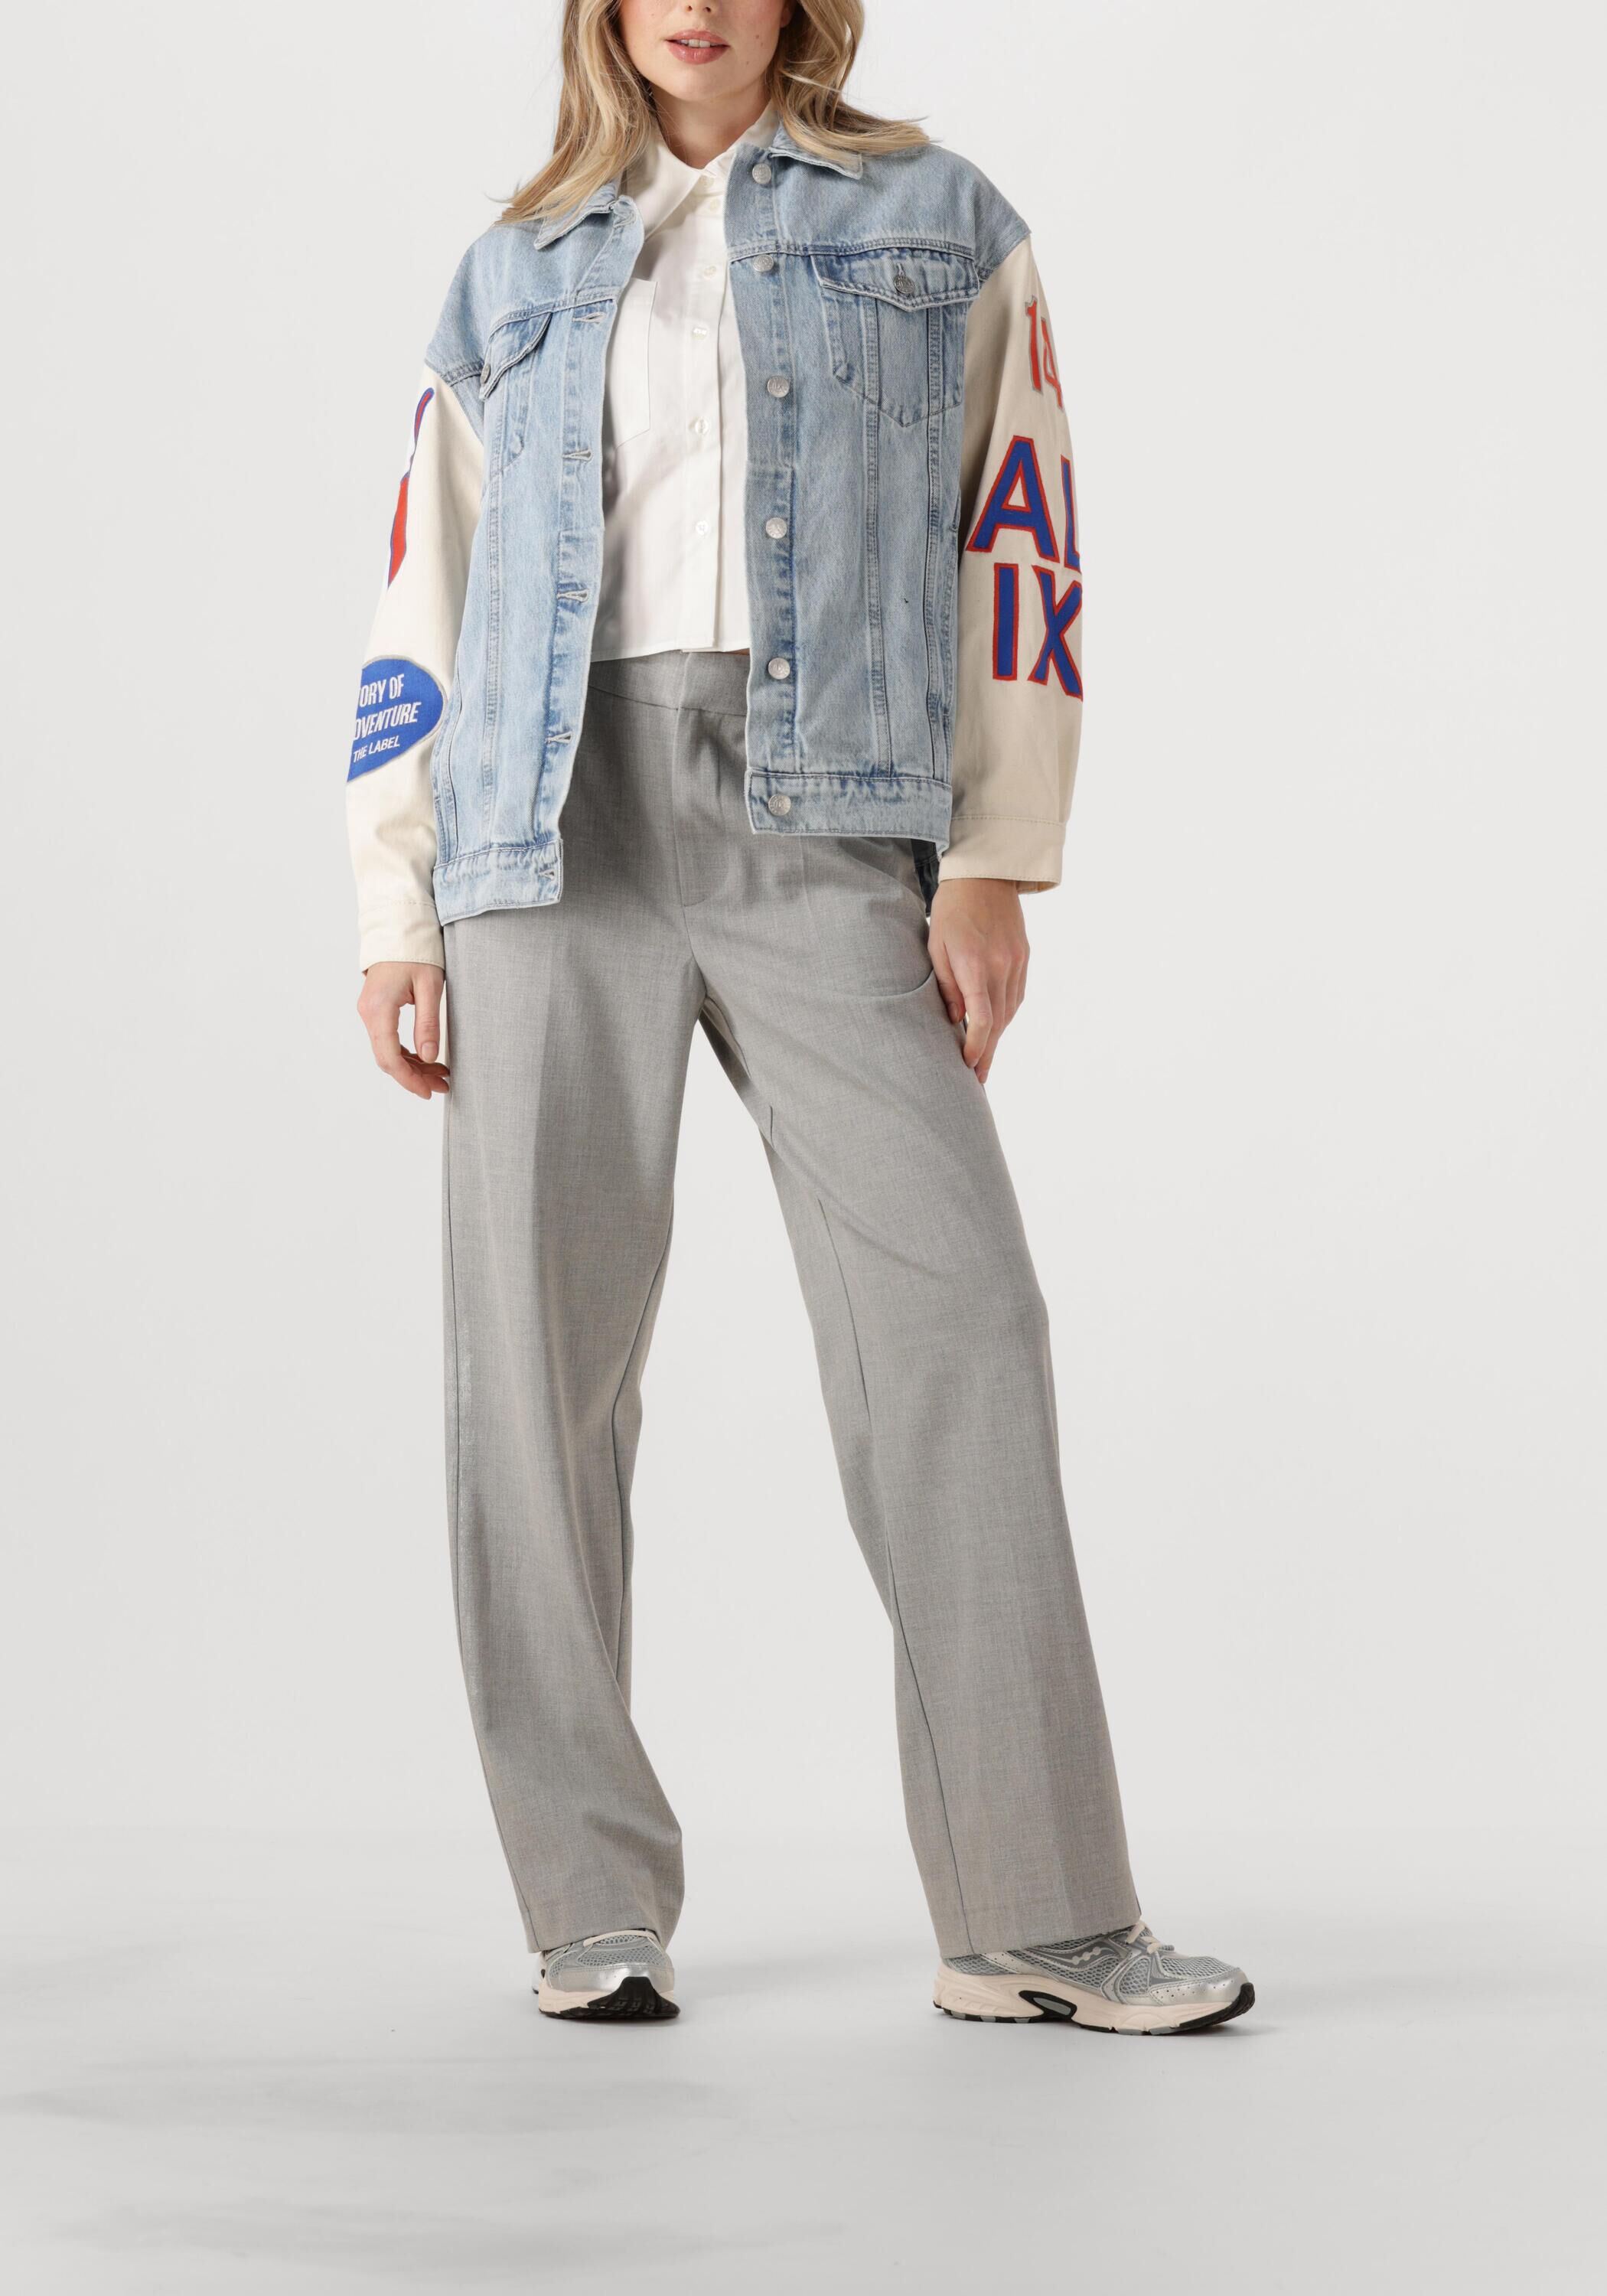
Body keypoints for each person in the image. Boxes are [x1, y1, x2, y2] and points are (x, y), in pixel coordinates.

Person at [346, 0, 1252, 2035]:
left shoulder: (941, 218)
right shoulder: (513, 266)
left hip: (824, 812)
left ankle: (1032, 1917)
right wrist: (394, 897)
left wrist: (994, 853)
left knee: (960, 1322)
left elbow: (1021, 531)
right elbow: (425, 583)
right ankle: (588, 1903)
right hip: (543, 830)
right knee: (537, 1373)